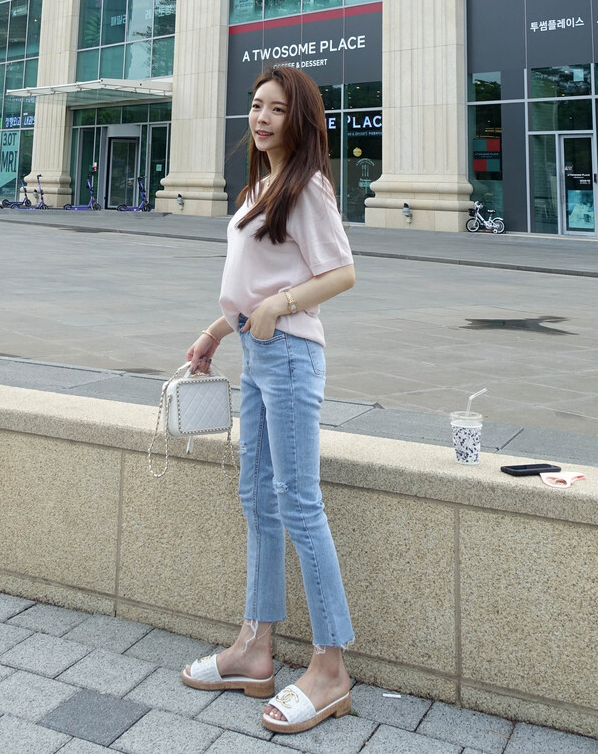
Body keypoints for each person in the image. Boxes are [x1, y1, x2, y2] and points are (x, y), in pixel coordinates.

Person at [180, 65, 357, 736]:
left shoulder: (307, 187)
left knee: (298, 501)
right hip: (257, 353)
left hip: (289, 353)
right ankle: (255, 649)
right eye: (256, 106)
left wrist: (279, 306)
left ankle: (330, 668)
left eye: (276, 109)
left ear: (298, 119)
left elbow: (342, 272)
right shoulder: (260, 188)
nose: (261, 118)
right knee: (256, 497)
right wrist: (214, 333)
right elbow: (251, 284)